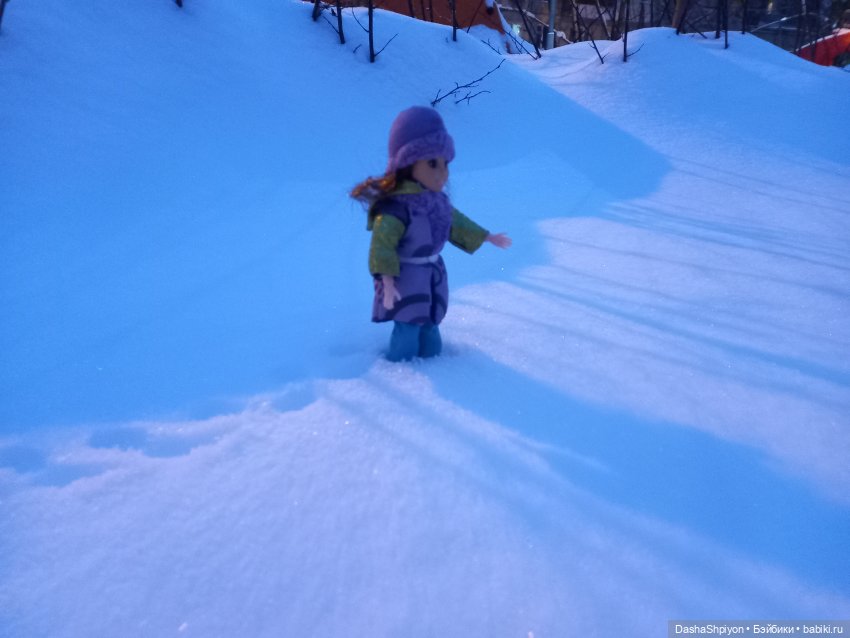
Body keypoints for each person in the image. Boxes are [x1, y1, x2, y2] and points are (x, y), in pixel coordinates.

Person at [351, 106, 511, 362]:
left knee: (430, 321)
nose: (442, 173)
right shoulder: (396, 208)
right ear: (407, 163)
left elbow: (454, 221)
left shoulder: (436, 202)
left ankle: (434, 363)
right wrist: (387, 282)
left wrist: (486, 236)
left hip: (433, 274)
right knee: (407, 324)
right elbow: (382, 245)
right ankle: (401, 368)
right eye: (432, 164)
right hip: (406, 277)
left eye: (445, 164)